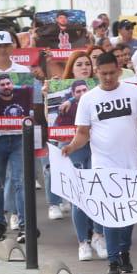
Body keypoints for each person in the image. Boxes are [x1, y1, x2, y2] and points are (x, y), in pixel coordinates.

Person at [63, 51, 137, 274]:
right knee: (111, 213)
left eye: (112, 73)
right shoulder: (88, 99)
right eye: (103, 74)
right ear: (96, 72)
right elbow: (82, 133)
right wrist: (70, 147)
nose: (108, 78)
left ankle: (124, 250)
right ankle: (112, 261)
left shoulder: (134, 92)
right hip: (103, 164)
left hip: (130, 162)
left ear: (119, 71)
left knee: (129, 213)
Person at [0, 31, 35, 243]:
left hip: (18, 135)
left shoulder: (22, 71)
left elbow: (30, 98)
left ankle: (24, 225)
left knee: (21, 181)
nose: (2, 49)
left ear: (12, 47)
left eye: (5, 45)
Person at [50, 51, 106, 262]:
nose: (84, 67)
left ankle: (98, 236)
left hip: (97, 147)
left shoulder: (98, 91)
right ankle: (83, 241)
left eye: (87, 64)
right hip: (72, 146)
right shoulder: (63, 95)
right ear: (71, 69)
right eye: (79, 64)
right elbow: (53, 125)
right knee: (79, 196)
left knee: (98, 191)